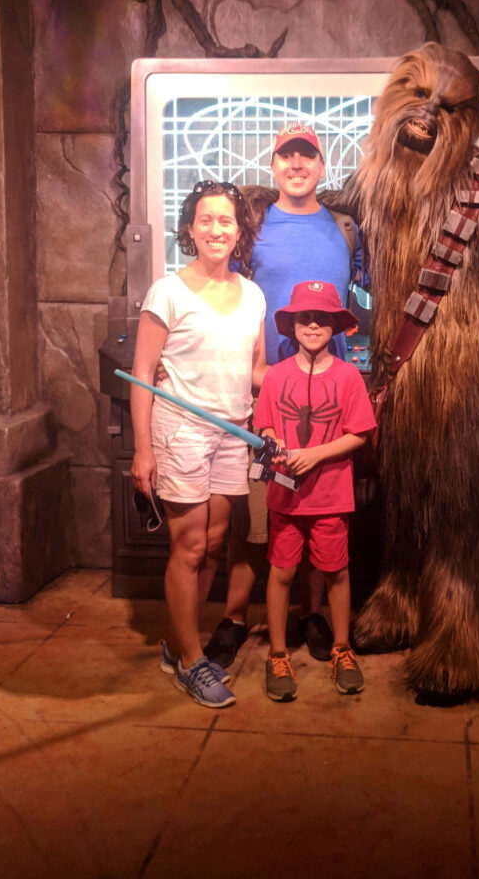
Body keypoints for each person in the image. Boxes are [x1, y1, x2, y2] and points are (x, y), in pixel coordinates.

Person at [203, 123, 364, 670]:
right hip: (263, 393)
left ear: (321, 167)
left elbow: (359, 306)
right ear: (273, 167)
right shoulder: (253, 224)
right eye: (286, 157)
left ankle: (313, 615)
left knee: (318, 511)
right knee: (255, 517)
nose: (297, 165)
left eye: (307, 156)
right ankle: (234, 616)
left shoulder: (346, 229)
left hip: (328, 400)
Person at [130, 180, 267, 709]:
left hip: (233, 434)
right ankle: (190, 661)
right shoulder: (168, 290)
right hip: (181, 431)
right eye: (205, 219)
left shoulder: (253, 294)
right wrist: (144, 449)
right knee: (188, 547)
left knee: (212, 545)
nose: (216, 229)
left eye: (226, 221)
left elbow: (254, 371)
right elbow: (142, 373)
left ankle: (181, 644)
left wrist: (305, 376)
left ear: (239, 232)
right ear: (189, 228)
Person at [252, 280, 376, 701]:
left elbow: (359, 432)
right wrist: (276, 442)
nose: (312, 325)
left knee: (336, 571)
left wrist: (317, 454)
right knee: (281, 571)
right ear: (291, 325)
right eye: (305, 317)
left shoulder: (348, 377)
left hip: (330, 496)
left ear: (335, 327)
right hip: (285, 497)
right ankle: (278, 653)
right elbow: (265, 424)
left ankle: (342, 648)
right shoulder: (276, 377)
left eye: (322, 319)